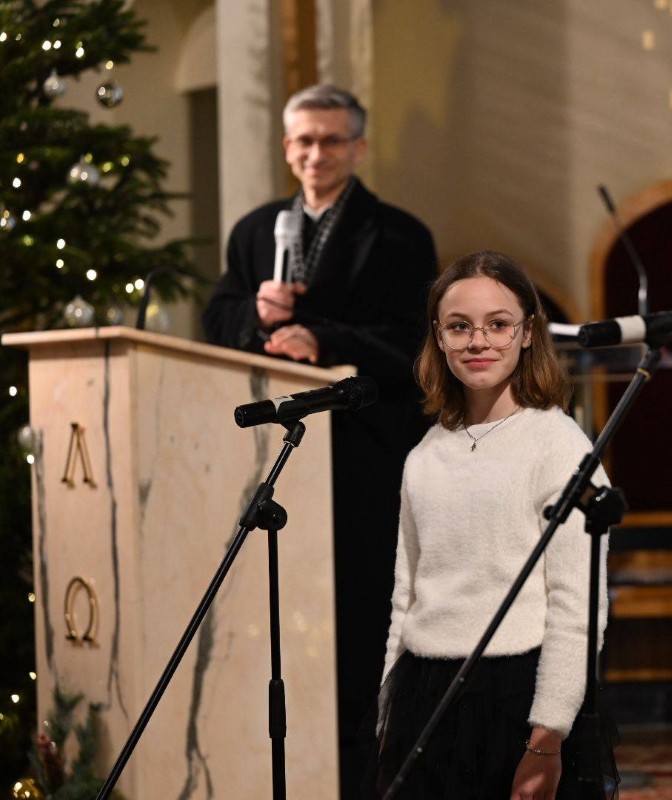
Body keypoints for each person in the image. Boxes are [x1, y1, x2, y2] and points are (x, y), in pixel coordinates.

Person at [201, 84, 437, 797]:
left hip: (363, 457)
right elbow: (216, 320)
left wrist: (323, 337)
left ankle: (361, 775)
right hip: (276, 456)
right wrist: (253, 314)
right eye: (302, 141)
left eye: (331, 140)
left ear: (358, 147)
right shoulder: (254, 231)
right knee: (279, 618)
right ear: (286, 148)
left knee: (359, 626)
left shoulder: (398, 233)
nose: (315, 154)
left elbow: (415, 344)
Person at [370, 251, 614, 800]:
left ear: (527, 333)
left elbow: (579, 608)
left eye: (498, 325)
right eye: (459, 327)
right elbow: (405, 597)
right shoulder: (424, 454)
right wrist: (389, 711)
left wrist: (547, 738)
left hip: (516, 695)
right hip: (423, 692)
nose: (478, 341)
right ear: (439, 335)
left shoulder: (558, 445)